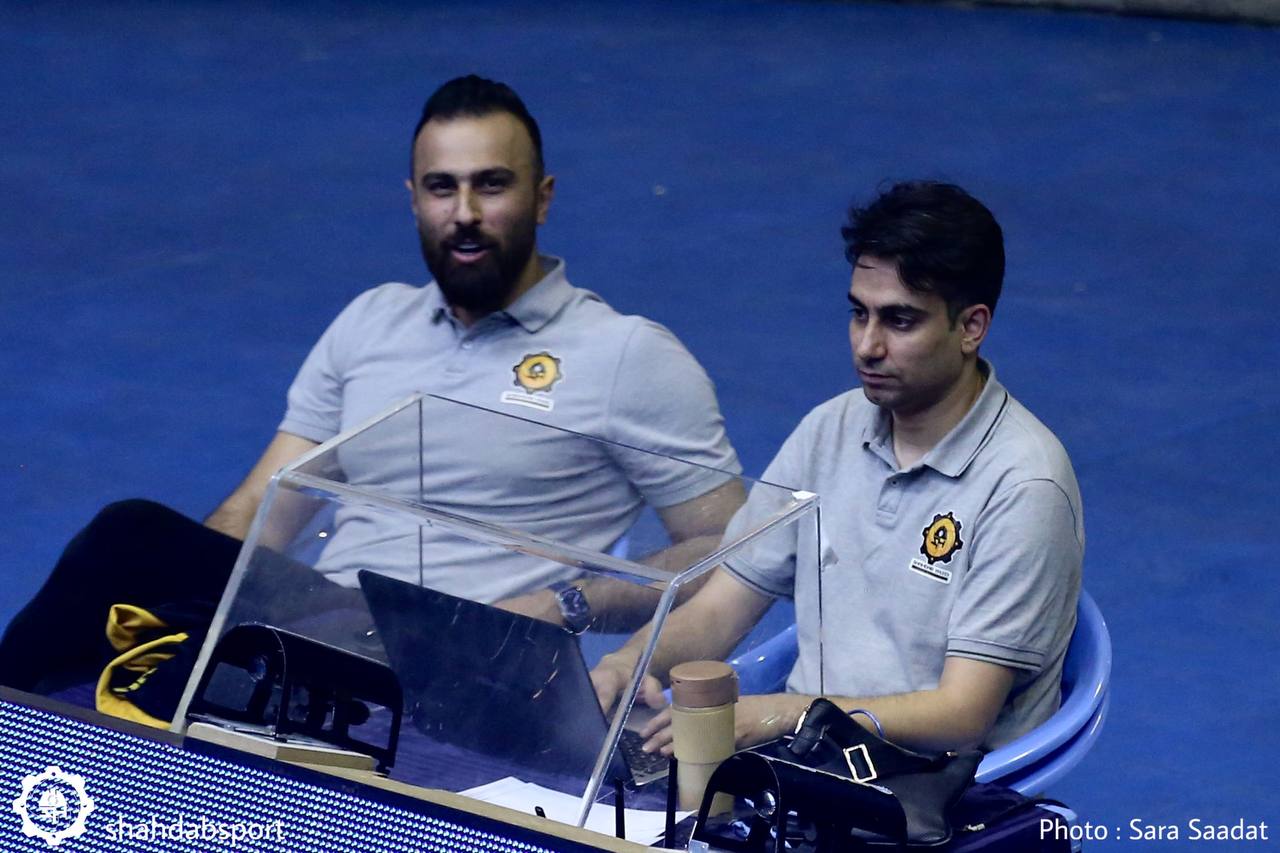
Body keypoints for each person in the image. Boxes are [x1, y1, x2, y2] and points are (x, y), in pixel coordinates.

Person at [0, 75, 744, 698]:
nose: (465, 215)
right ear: (414, 199)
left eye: (491, 185)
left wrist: (567, 604)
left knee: (152, 628)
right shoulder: (371, 321)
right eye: (442, 188)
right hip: (329, 622)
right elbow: (262, 507)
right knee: (131, 561)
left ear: (543, 198)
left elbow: (726, 548)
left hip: (470, 655)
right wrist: (201, 596)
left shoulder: (627, 354)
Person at [593, 181, 1083, 754]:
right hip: (808, 759)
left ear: (971, 327)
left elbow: (962, 715)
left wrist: (788, 716)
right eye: (859, 314)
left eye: (900, 321)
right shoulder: (831, 428)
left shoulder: (1025, 486)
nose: (867, 346)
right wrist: (629, 662)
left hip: (936, 789)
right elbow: (721, 606)